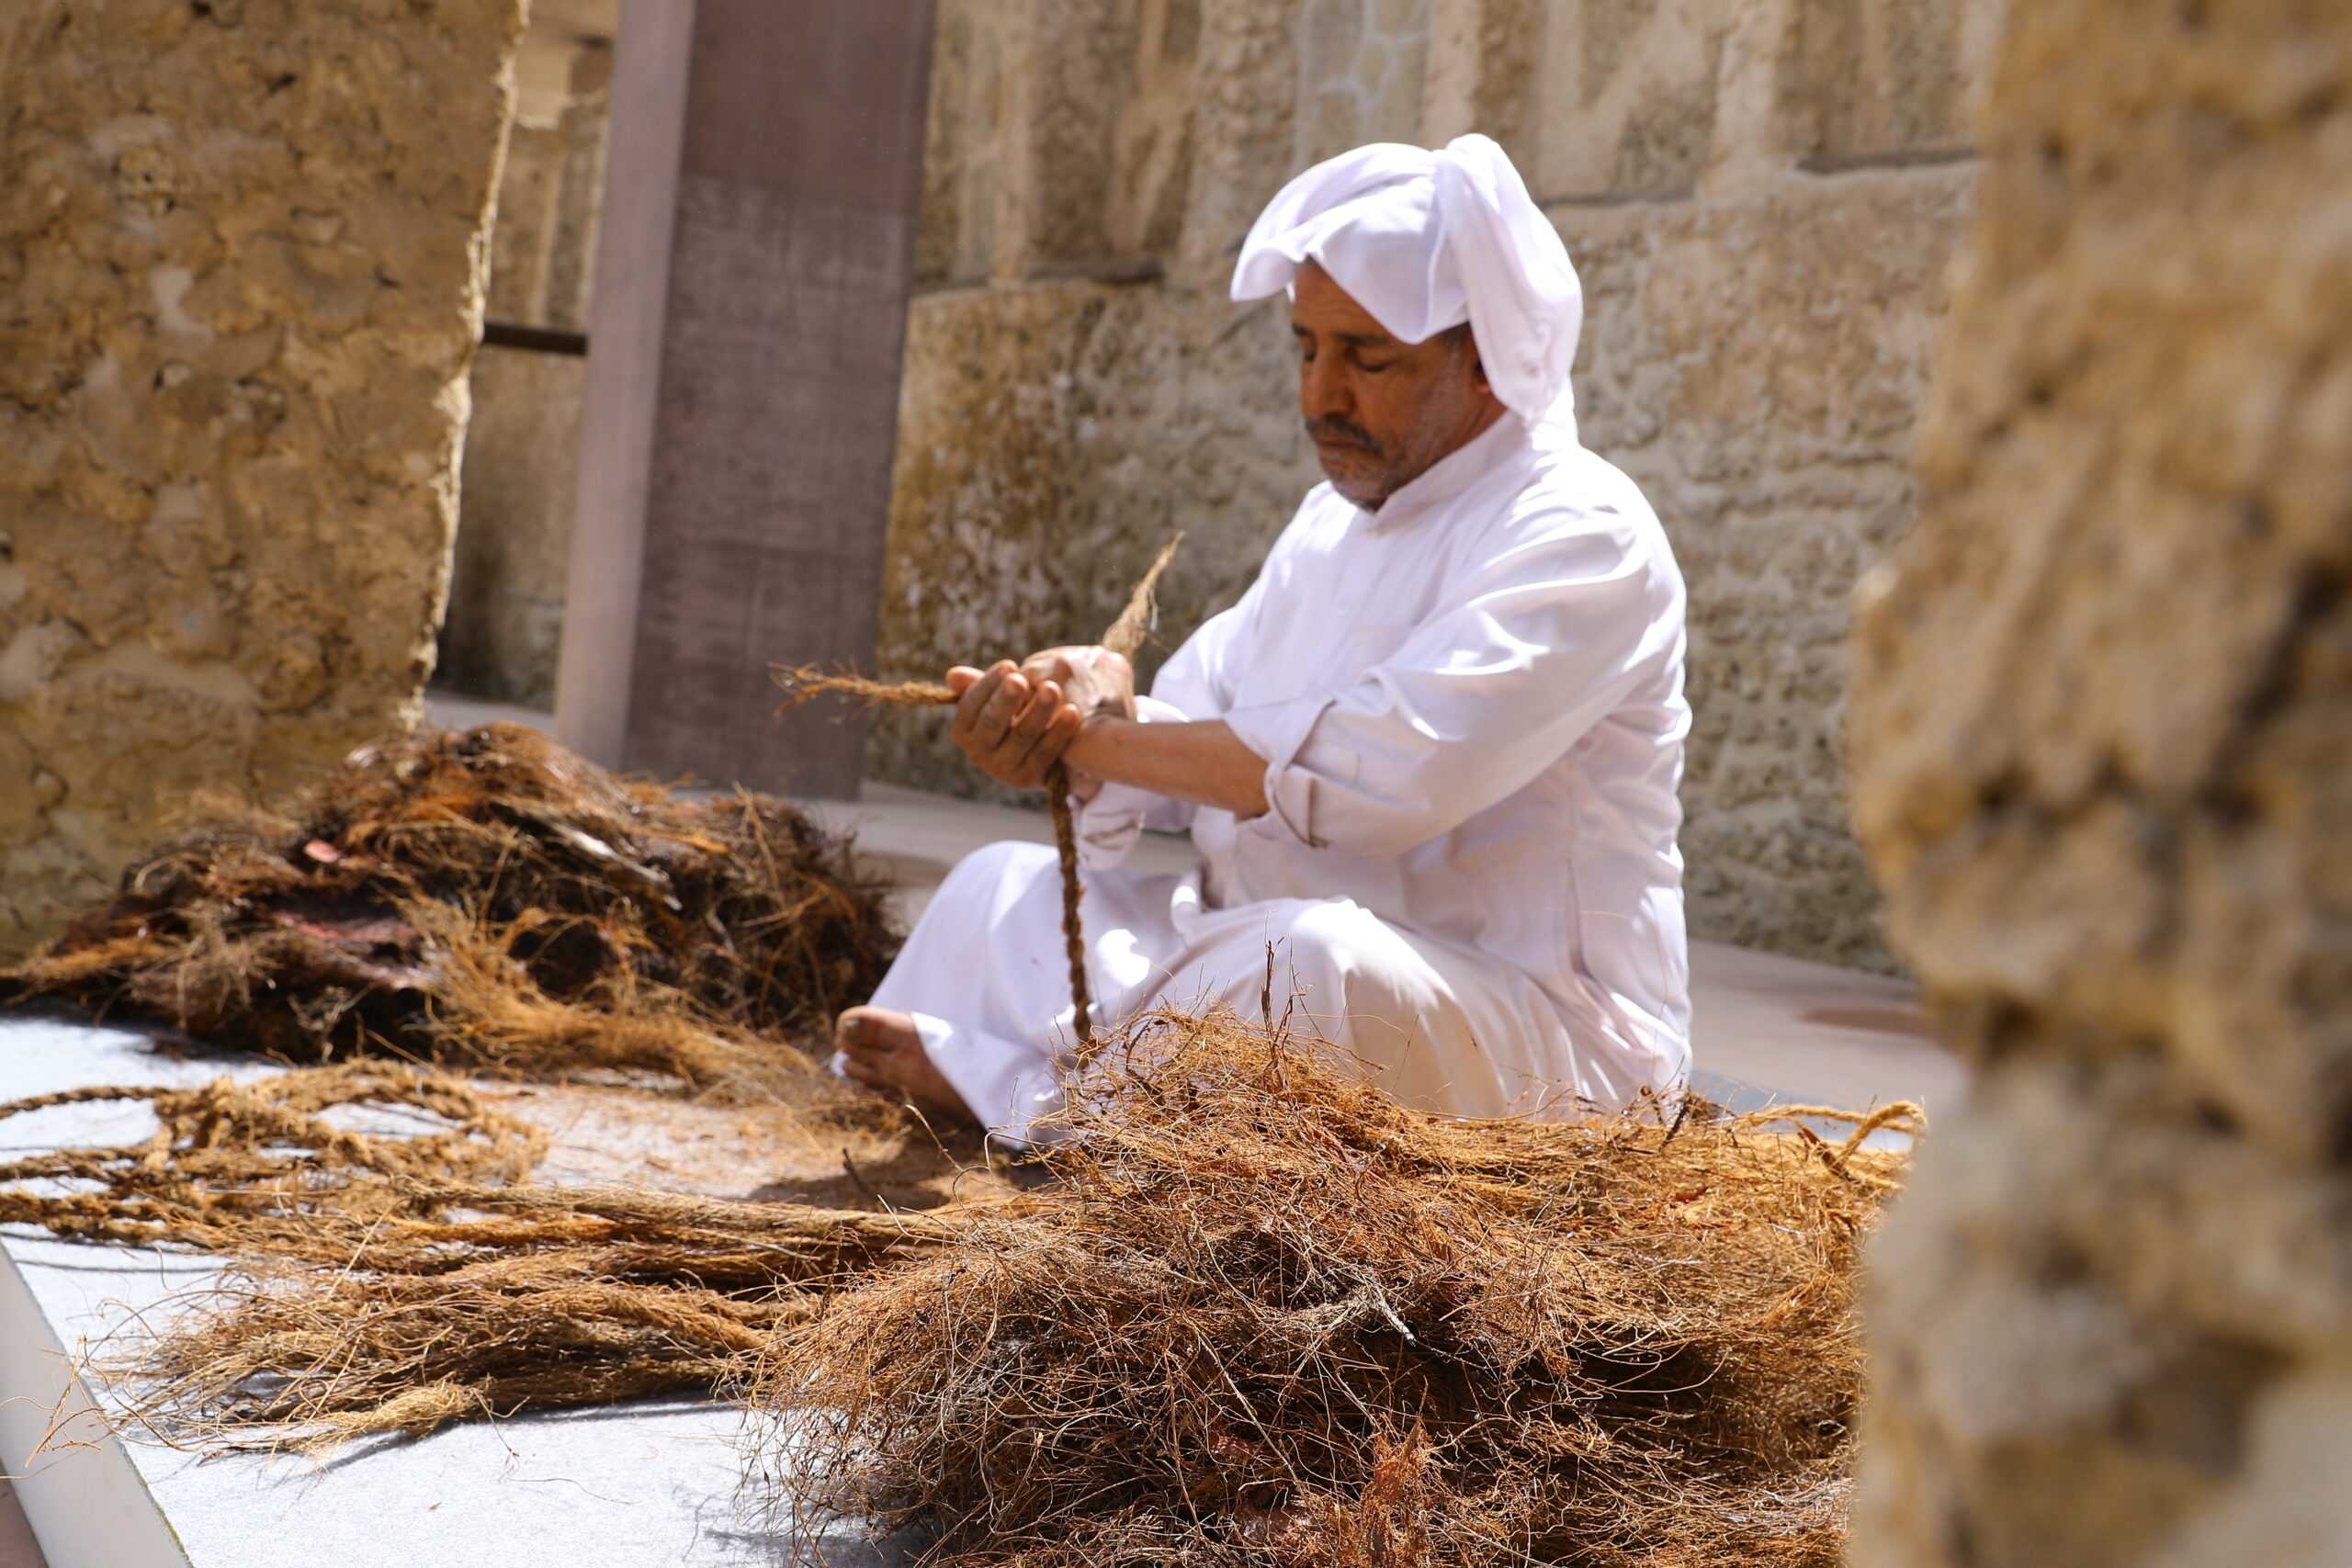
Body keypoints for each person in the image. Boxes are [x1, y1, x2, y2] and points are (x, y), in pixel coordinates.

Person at [835, 134, 1691, 1143]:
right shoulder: (1329, 526)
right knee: (997, 889)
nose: (1320, 396)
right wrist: (1082, 705)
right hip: (1265, 955)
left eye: (1367, 358)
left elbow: (1380, 775)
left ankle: (1027, 1100)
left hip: (1534, 1037)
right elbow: (1194, 731)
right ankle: (1034, 1093)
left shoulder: (1583, 531)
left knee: (1316, 963)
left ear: (1487, 366)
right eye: (1306, 349)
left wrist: (1099, 740)